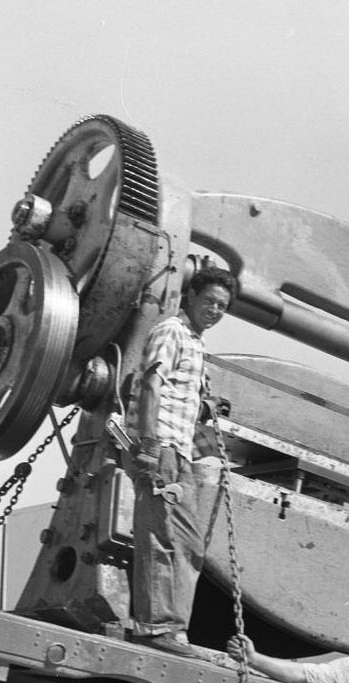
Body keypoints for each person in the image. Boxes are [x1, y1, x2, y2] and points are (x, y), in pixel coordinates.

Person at [127, 266, 238, 656]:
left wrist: (204, 406)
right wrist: (148, 443)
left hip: (180, 452)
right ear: (190, 296)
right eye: (209, 301)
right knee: (163, 536)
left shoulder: (195, 342)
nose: (214, 310)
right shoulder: (172, 331)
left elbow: (176, 389)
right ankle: (157, 628)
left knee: (188, 542)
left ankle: (172, 628)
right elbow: (150, 384)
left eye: (222, 306)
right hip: (164, 449)